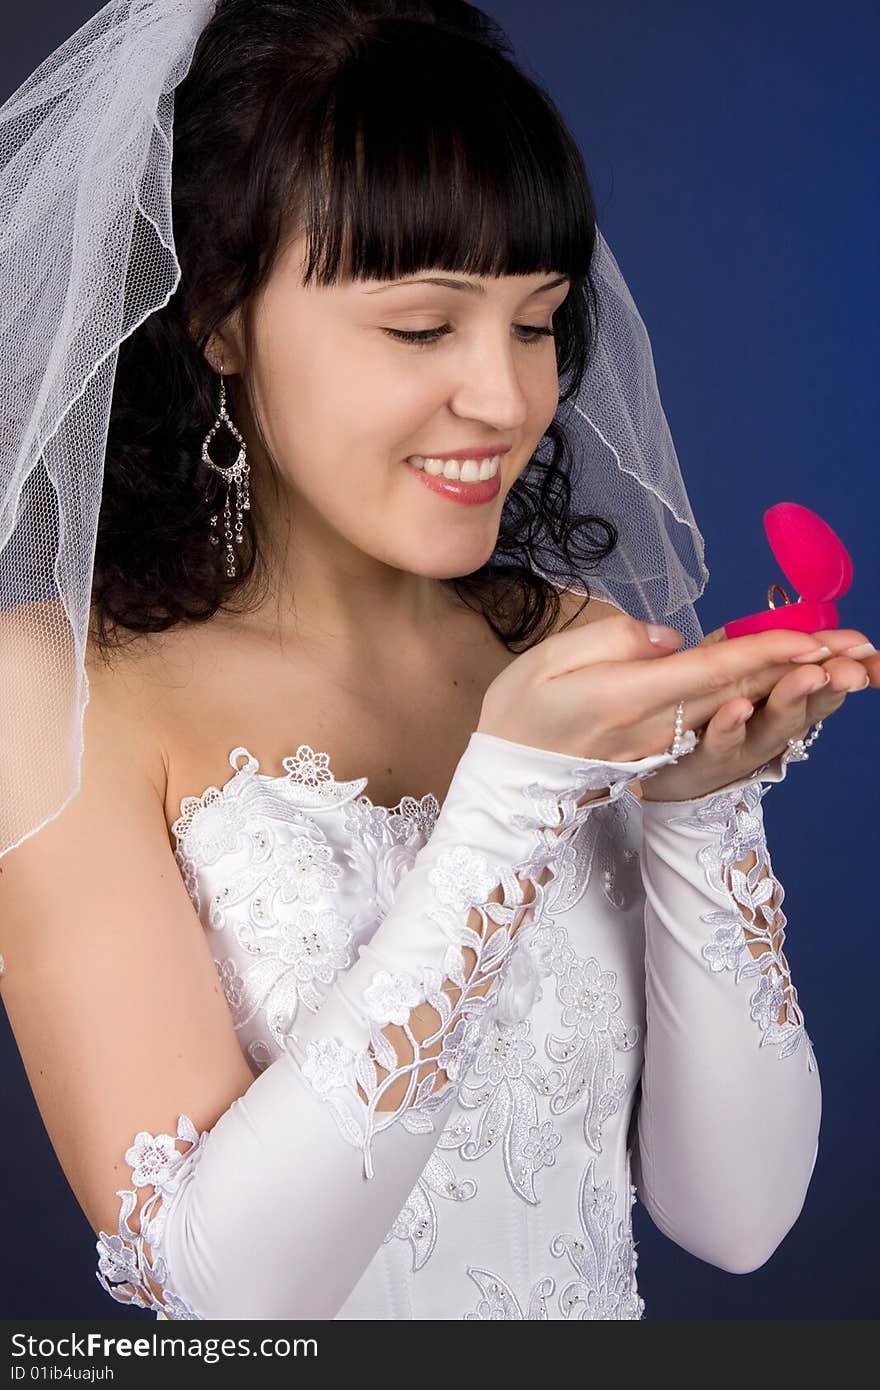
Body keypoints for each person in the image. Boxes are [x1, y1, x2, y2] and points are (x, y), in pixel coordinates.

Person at [0, 0, 875, 1321]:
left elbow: (737, 1219)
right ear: (218, 318)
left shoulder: (580, 647)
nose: (509, 398)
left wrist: (701, 813)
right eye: (422, 328)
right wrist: (509, 806)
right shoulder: (57, 690)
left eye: (535, 322)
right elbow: (223, 1297)